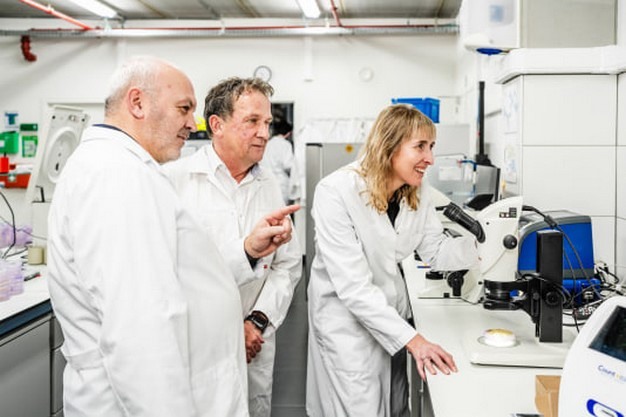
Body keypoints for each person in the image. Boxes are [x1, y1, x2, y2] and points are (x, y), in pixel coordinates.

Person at [47, 56, 298, 417]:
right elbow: (139, 331)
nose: (192, 124)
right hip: (133, 396)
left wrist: (247, 251)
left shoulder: (131, 171)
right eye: (184, 108)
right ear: (137, 103)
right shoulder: (117, 176)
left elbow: (185, 276)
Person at [306, 104, 479, 417]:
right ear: (389, 146)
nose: (430, 158)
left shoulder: (417, 191)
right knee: (360, 406)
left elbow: (435, 251)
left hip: (392, 319)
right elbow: (353, 287)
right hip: (347, 327)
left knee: (396, 406)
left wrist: (485, 248)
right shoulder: (335, 192)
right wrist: (415, 341)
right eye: (420, 146)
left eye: (431, 146)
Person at [164, 77, 302, 417]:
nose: (263, 133)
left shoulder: (268, 183)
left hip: (254, 343)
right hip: (197, 344)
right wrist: (228, 327)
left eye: (267, 122)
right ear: (217, 125)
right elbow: (167, 272)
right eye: (252, 121)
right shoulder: (174, 180)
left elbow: (287, 265)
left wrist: (257, 321)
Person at [261, 119, 301, 205]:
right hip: (280, 184)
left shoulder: (266, 144)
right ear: (288, 133)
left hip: (265, 182)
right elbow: (288, 165)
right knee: (281, 209)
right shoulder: (285, 144)